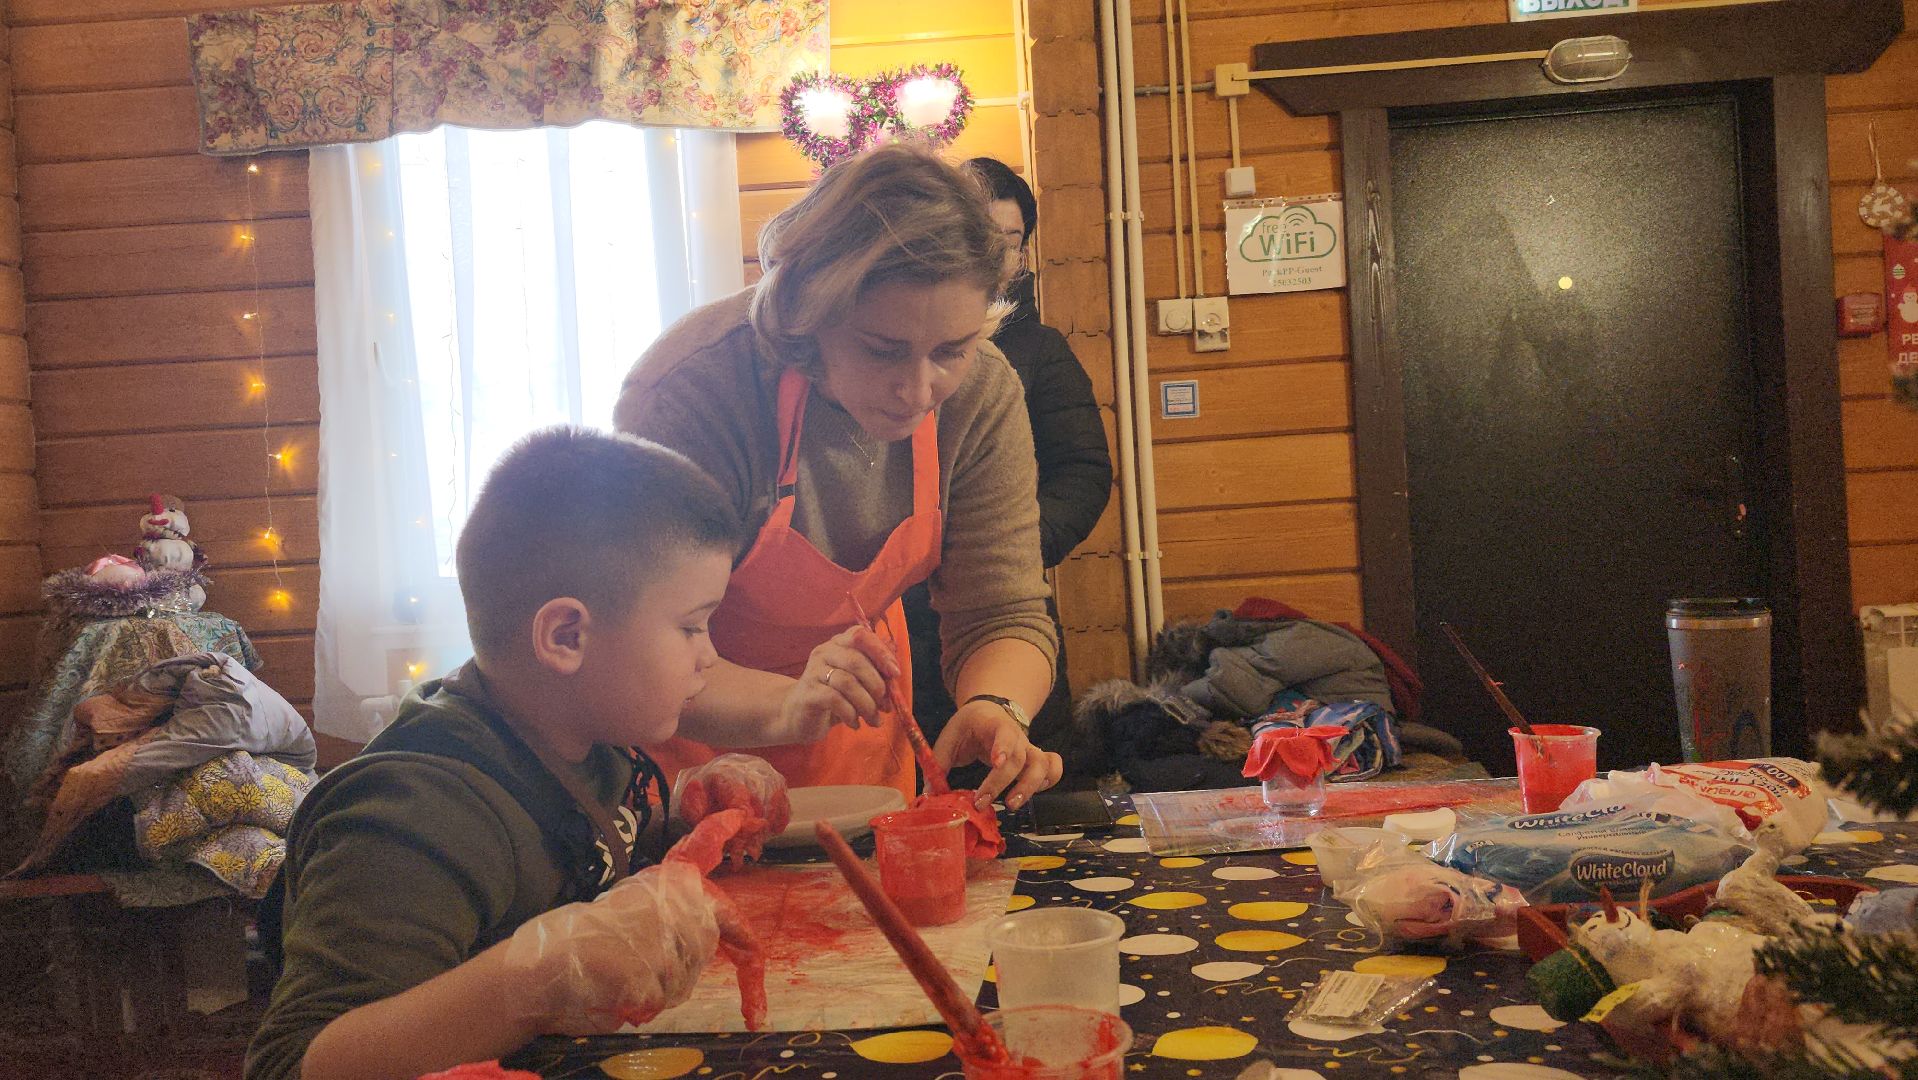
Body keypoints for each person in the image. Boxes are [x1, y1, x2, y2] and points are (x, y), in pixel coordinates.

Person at [247, 429, 790, 1080]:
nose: (707, 654)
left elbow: (579, 860)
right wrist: (529, 980)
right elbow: (287, 1066)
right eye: (692, 626)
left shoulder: (588, 745)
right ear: (566, 636)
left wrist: (684, 819)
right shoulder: (416, 814)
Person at [615, 142, 1064, 811]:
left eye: (951, 351)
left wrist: (997, 704)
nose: (919, 390)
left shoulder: (979, 395)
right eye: (883, 350)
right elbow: (636, 653)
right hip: (685, 753)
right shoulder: (695, 392)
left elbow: (1002, 607)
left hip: (856, 745)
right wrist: (786, 703)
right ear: (807, 314)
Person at [902, 157, 1112, 787]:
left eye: (1007, 241)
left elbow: (1083, 470)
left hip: (1002, 605)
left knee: (1013, 777)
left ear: (1024, 252)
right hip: (901, 619)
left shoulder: (1036, 352)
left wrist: (1008, 542)